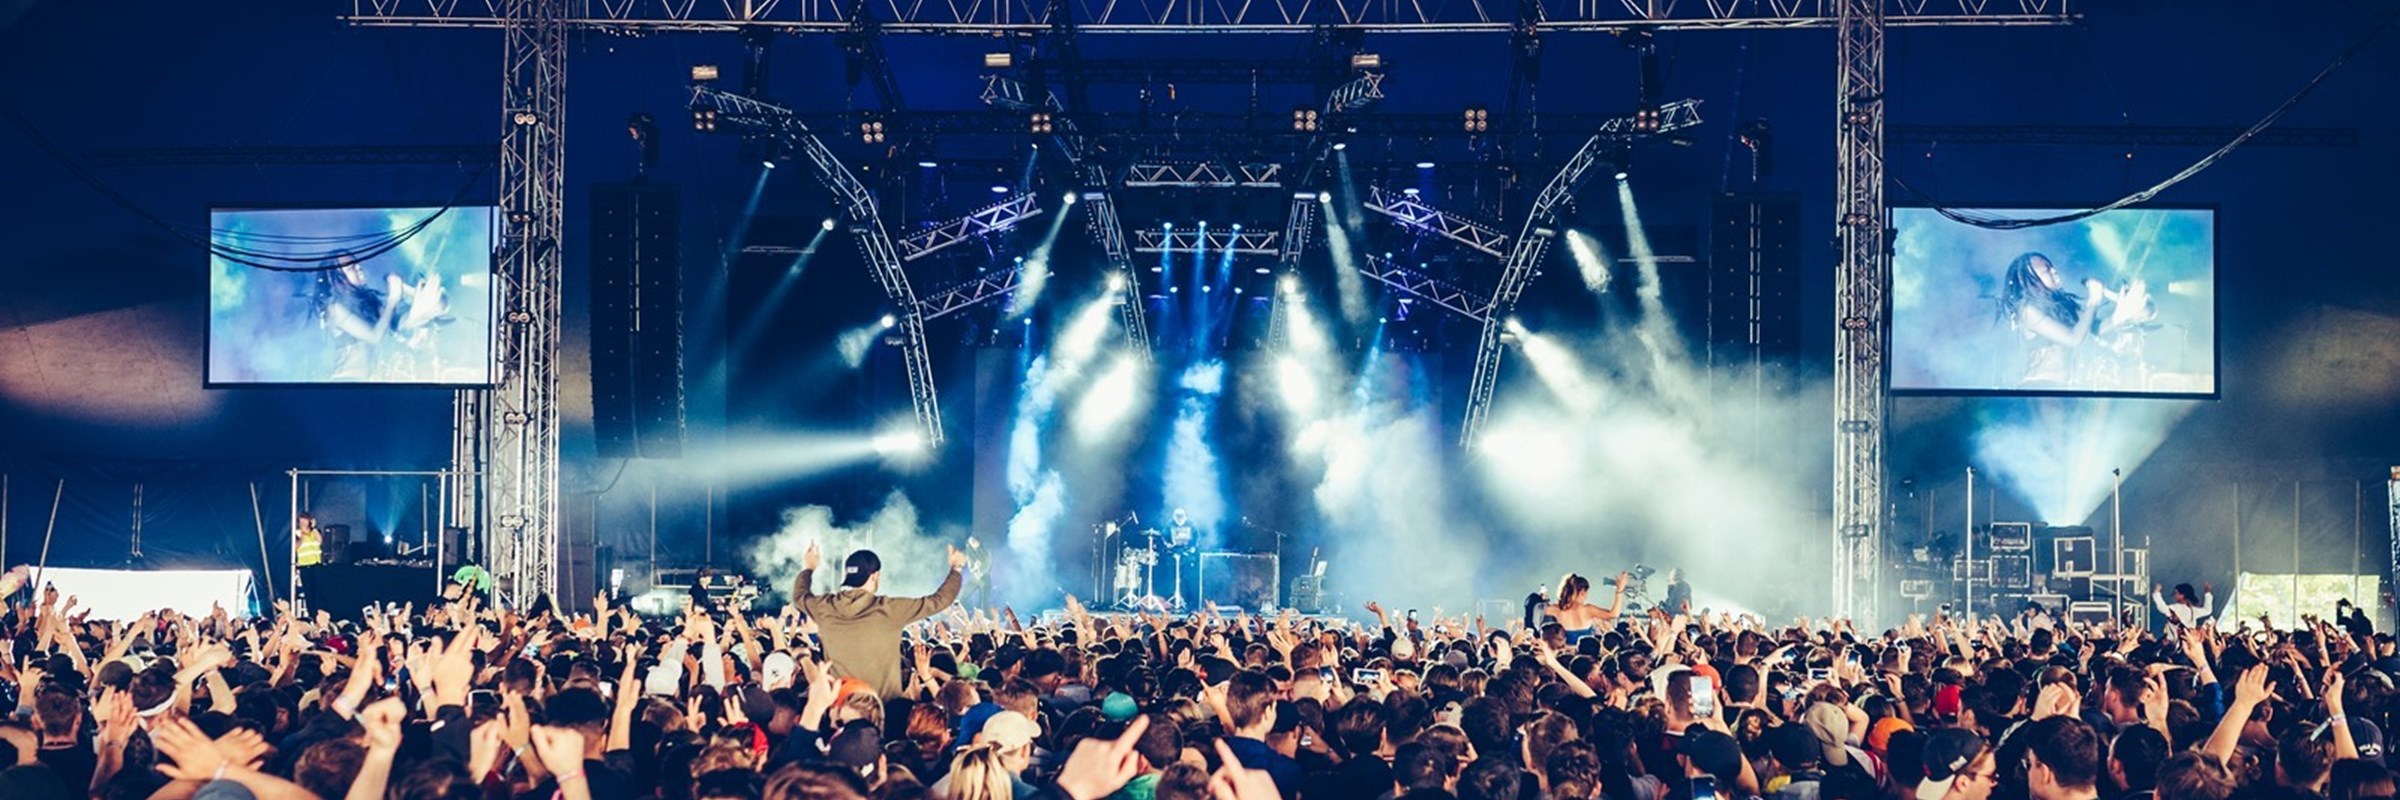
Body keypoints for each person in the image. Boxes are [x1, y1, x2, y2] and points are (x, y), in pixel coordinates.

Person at [793, 540, 967, 696]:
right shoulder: (890, 609)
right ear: (875, 575)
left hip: (839, 713)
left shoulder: (824, 607)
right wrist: (956, 569)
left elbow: (800, 596)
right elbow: (939, 600)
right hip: (884, 713)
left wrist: (808, 568)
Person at [1994, 252, 2150, 389]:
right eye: (2047, 269)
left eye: (2052, 266)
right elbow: (2073, 339)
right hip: (2040, 386)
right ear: (2032, 281)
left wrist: (2119, 316)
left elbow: (2096, 328)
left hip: (2063, 386)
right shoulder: (2028, 310)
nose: (2054, 270)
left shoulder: (2064, 304)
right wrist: (2093, 301)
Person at [1545, 572, 1629, 645]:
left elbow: (1614, 614)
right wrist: (1619, 590)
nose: (1585, 595)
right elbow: (1614, 614)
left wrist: (1620, 590)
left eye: (1585, 592)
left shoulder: (1555, 609)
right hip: (1575, 656)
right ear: (1571, 592)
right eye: (1582, 592)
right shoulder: (1587, 610)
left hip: (1577, 655)